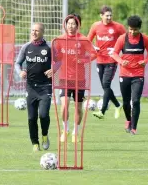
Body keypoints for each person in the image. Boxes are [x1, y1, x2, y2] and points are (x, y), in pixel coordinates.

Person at [53, 14, 97, 143]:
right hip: (64, 78)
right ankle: (65, 130)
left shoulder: (83, 40)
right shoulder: (60, 40)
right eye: (69, 23)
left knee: (78, 108)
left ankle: (75, 132)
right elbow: (56, 58)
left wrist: (83, 60)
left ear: (78, 25)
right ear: (65, 25)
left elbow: (94, 54)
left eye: (73, 24)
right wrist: (54, 65)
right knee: (64, 105)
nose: (71, 26)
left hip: (79, 79)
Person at [111, 15, 148, 135]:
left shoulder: (145, 39)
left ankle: (134, 128)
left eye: (135, 29)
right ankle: (128, 120)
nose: (132, 31)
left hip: (138, 75)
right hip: (124, 74)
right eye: (130, 29)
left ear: (139, 28)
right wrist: (120, 61)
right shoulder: (122, 39)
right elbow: (114, 53)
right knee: (125, 102)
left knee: (135, 101)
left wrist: (145, 61)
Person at [15, 23, 53, 152]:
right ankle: (35, 143)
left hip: (46, 86)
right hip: (31, 87)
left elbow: (59, 61)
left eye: (37, 31)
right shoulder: (26, 47)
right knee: (31, 117)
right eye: (32, 30)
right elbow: (17, 63)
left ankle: (44, 135)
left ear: (42, 32)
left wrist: (54, 69)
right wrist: (20, 72)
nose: (34, 33)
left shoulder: (49, 47)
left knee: (43, 115)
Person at [87, 6, 126, 119]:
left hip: (111, 60)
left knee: (106, 84)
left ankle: (102, 111)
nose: (109, 17)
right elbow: (87, 41)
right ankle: (118, 105)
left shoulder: (118, 27)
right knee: (105, 87)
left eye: (110, 15)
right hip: (100, 60)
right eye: (107, 15)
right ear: (101, 16)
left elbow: (126, 40)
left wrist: (117, 50)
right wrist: (94, 47)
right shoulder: (95, 26)